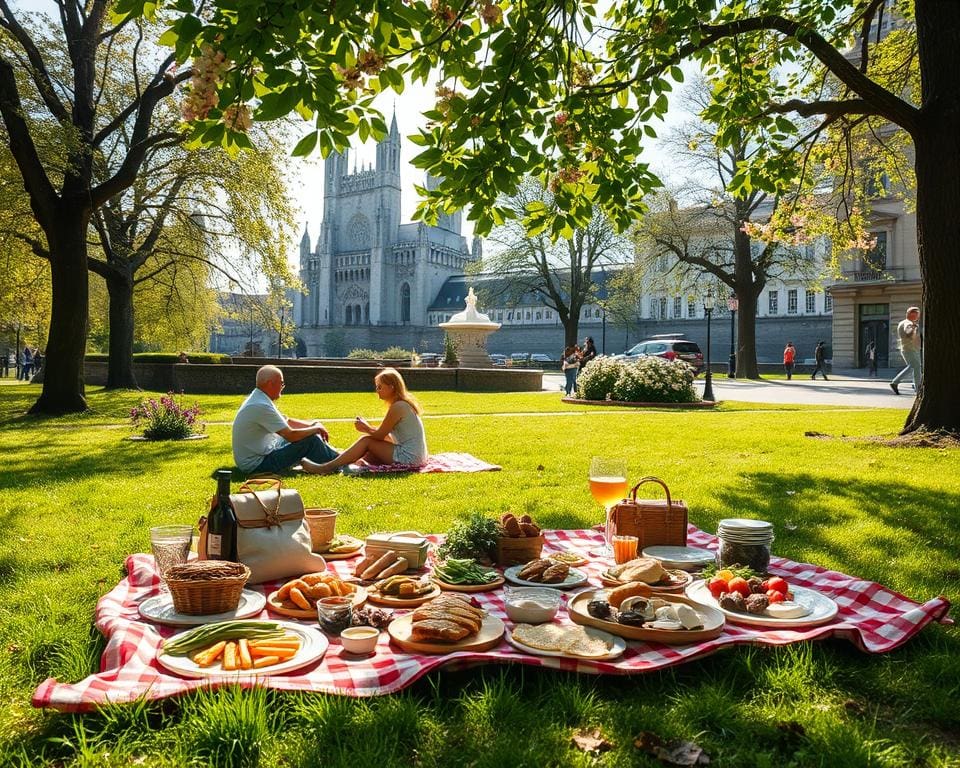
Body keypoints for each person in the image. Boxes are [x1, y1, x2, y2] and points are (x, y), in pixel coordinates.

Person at [303, 367, 427, 474]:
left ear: (391, 387)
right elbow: (387, 437)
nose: (377, 390)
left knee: (366, 441)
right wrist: (368, 428)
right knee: (367, 448)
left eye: (380, 387)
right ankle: (340, 462)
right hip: (416, 456)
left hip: (410, 458)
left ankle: (326, 468)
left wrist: (365, 428)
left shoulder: (398, 406)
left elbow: (379, 435)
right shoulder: (401, 405)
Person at [232, 365, 339, 473]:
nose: (283, 387)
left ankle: (338, 457)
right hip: (258, 464)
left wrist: (312, 425)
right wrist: (316, 429)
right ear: (270, 384)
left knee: (309, 434)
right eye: (281, 383)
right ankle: (340, 464)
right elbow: (291, 435)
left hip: (263, 453)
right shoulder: (261, 405)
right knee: (311, 440)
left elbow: (286, 421)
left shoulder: (259, 398)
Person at [890, 306, 922, 395]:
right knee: (915, 367)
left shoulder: (905, 322)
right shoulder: (908, 323)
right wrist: (913, 327)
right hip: (909, 349)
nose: (918, 316)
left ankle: (916, 386)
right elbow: (908, 332)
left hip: (911, 349)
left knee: (914, 367)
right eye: (917, 314)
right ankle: (917, 388)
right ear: (911, 314)